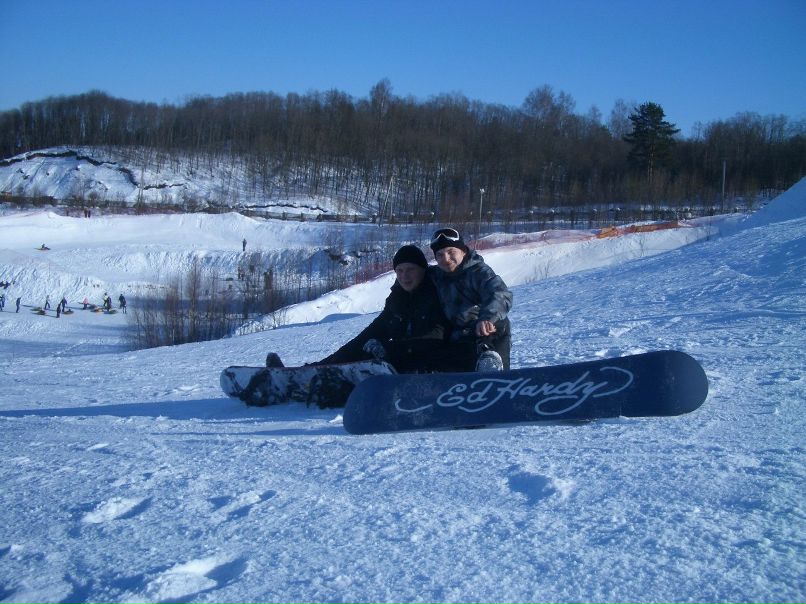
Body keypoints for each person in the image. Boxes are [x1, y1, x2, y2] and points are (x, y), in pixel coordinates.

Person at [272, 245, 451, 374]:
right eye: (400, 271)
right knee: (360, 348)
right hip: (399, 358)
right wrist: (328, 363)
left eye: (410, 270)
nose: (405, 276)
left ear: (422, 270)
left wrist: (390, 349)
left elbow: (436, 336)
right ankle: (311, 372)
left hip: (428, 364)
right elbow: (375, 331)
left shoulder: (436, 293)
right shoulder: (398, 297)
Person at [427, 227, 513, 372]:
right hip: (459, 337)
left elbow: (499, 293)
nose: (446, 259)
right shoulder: (438, 275)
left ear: (463, 251)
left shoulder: (478, 272)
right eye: (440, 255)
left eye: (451, 252)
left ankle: (490, 362)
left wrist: (487, 318)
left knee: (495, 325)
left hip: (486, 332)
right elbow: (415, 272)